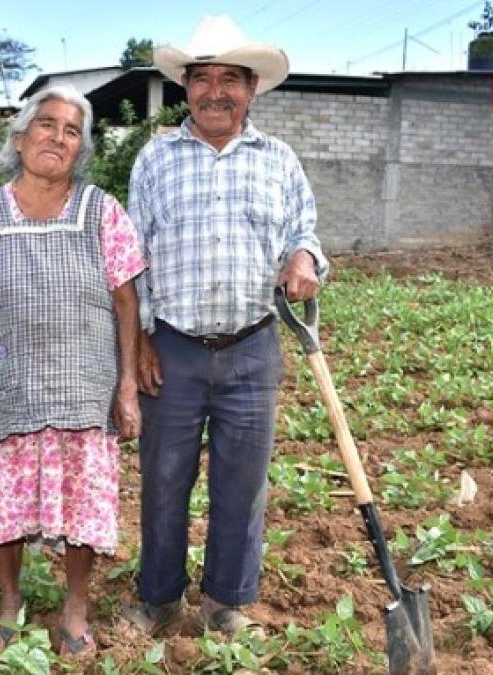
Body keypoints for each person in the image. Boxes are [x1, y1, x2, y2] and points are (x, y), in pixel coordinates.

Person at [122, 15, 327, 637]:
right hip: (174, 348)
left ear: (252, 89)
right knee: (163, 481)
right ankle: (157, 599)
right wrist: (140, 339)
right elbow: (131, 259)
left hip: (252, 346)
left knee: (242, 487)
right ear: (186, 87)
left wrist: (303, 260)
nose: (216, 91)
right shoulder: (156, 158)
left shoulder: (280, 160)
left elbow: (306, 234)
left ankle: (225, 603)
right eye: (203, 78)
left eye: (230, 79)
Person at [0, 84, 146, 657]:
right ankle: (9, 602)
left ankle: (74, 609)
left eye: (72, 131)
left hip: (85, 386)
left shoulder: (103, 211)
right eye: (47, 125)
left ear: (82, 149)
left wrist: (127, 385)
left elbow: (128, 302)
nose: (58, 137)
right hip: (11, 384)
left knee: (85, 502)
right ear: (20, 138)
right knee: (5, 502)